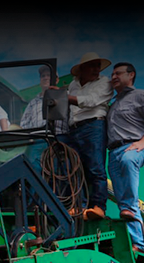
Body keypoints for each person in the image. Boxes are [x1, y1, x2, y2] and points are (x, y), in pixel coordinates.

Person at [106, 62, 144, 254]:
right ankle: (140, 244)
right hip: (113, 153)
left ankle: (141, 244)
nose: (113, 77)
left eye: (118, 73)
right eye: (112, 74)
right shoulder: (112, 104)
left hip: (133, 147)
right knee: (124, 203)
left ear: (131, 75)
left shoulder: (141, 95)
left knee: (128, 163)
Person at [59, 52, 113, 220]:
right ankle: (79, 206)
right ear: (82, 69)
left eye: (98, 66)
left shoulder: (104, 82)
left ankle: (98, 207)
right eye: (92, 65)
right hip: (73, 129)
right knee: (74, 168)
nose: (96, 69)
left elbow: (91, 100)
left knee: (96, 167)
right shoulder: (72, 86)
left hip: (93, 125)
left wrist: (63, 97)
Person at [20, 65, 69, 172]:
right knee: (34, 171)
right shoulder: (33, 103)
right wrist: (30, 138)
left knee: (59, 172)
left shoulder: (65, 96)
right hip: (38, 141)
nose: (46, 78)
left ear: (56, 80)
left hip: (58, 138)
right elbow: (24, 124)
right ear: (40, 80)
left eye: (49, 75)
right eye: (43, 76)